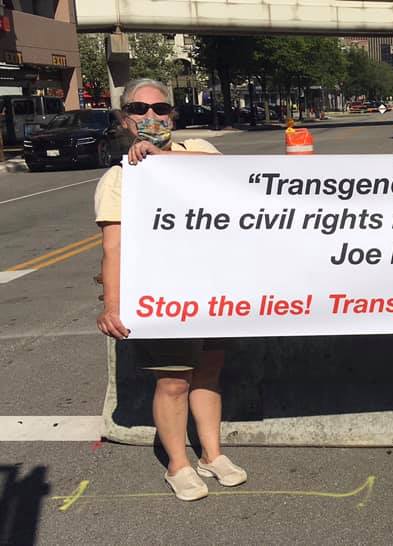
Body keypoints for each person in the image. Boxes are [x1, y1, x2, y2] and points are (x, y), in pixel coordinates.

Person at [94, 78, 247, 501]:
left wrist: (163, 159)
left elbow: (228, 176)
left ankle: (212, 454)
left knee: (209, 371)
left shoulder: (195, 150)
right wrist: (113, 306)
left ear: (172, 115)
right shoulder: (120, 178)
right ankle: (178, 464)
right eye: (139, 109)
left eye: (161, 109)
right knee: (174, 380)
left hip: (213, 288)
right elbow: (114, 246)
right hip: (162, 295)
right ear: (125, 119)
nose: (151, 117)